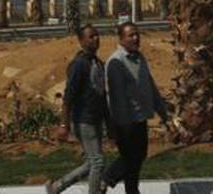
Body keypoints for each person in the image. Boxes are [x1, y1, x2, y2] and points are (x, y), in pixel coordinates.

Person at [102, 22, 173, 194]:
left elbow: (150, 86)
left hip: (139, 117)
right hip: (125, 122)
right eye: (131, 35)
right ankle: (106, 179)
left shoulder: (139, 58)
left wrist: (163, 113)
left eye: (137, 34)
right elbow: (117, 99)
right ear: (121, 39)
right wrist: (121, 129)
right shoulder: (116, 62)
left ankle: (130, 190)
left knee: (138, 157)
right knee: (130, 158)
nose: (136, 38)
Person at [46, 25, 108, 194]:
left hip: (95, 119)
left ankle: (57, 187)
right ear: (81, 41)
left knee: (91, 163)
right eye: (90, 37)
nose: (95, 39)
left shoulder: (98, 63)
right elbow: (68, 96)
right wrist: (64, 125)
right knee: (97, 162)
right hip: (83, 120)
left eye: (97, 35)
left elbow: (102, 95)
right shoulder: (79, 65)